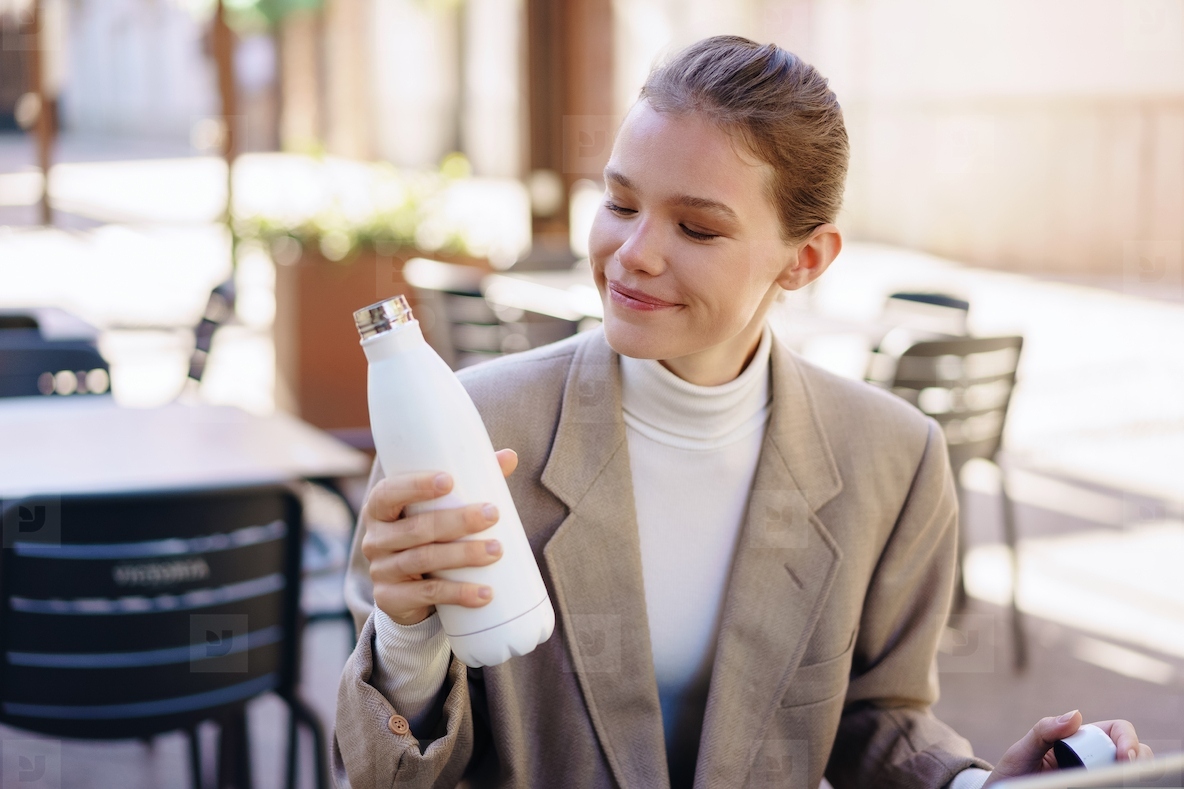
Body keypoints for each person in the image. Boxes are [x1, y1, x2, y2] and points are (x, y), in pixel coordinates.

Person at [333, 36, 1150, 789]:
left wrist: (976, 783)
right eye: (620, 203)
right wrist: (408, 640)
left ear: (806, 259)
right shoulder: (472, 425)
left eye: (696, 226)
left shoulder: (892, 458)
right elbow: (380, 774)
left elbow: (877, 716)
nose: (634, 252)